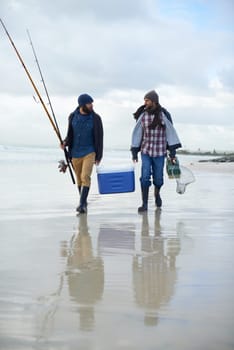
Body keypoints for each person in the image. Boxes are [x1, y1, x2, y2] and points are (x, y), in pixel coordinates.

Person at [131, 90, 182, 212]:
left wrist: (172, 152)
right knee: (145, 176)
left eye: (147, 100)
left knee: (158, 179)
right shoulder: (143, 115)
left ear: (153, 101)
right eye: (144, 100)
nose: (145, 102)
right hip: (146, 151)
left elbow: (170, 132)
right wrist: (134, 151)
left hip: (159, 152)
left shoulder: (164, 115)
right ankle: (144, 204)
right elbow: (137, 133)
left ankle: (157, 193)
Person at [61, 93, 103, 213]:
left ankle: (82, 204)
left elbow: (100, 138)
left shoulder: (96, 118)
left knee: (85, 176)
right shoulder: (72, 116)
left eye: (91, 103)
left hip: (90, 151)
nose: (91, 105)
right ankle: (83, 202)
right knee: (79, 179)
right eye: (89, 103)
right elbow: (70, 135)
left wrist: (99, 155)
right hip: (74, 153)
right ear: (82, 105)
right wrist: (64, 142)